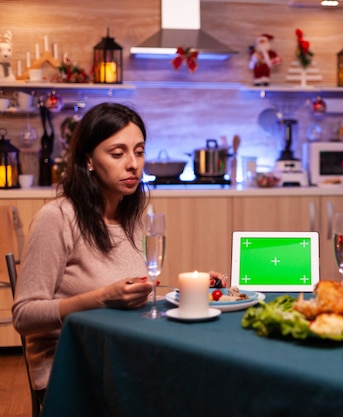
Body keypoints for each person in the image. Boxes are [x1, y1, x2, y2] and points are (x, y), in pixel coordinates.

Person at [10, 103, 225, 399]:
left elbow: (133, 299)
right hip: (73, 369)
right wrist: (100, 299)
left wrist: (193, 291)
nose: (133, 164)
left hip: (123, 356)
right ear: (88, 159)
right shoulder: (58, 217)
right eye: (117, 153)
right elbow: (24, 316)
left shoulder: (130, 216)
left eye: (139, 151)